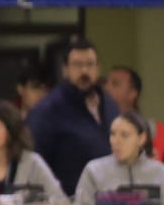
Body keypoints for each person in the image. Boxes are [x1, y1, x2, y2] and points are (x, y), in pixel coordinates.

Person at [28, 36, 113, 196]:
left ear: (98, 68)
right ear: (65, 70)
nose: (84, 71)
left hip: (110, 202)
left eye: (90, 64)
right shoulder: (47, 111)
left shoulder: (109, 104)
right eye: (77, 65)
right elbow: (34, 165)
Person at [74, 110, 164, 205]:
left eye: (125, 135)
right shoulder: (93, 170)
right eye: (113, 134)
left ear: (141, 139)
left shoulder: (161, 173)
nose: (116, 141)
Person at [104, 63, 164, 182]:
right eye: (106, 83)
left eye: (115, 84)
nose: (107, 88)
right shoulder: (96, 129)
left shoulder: (158, 132)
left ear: (132, 94)